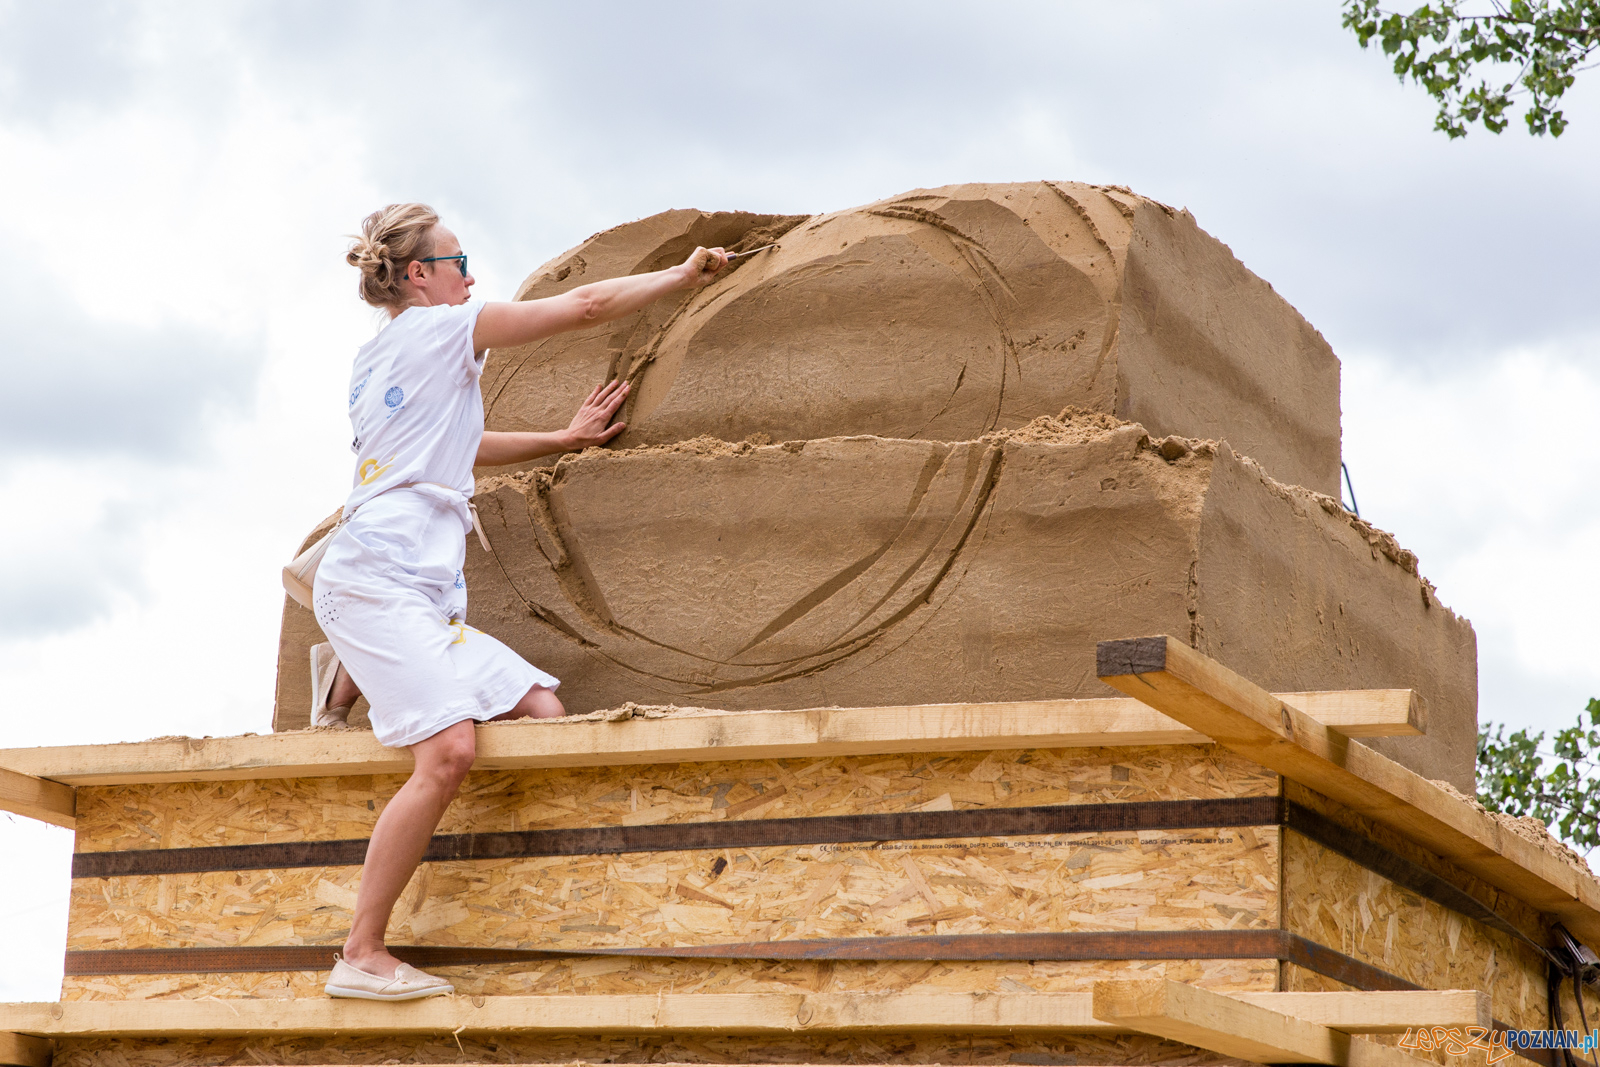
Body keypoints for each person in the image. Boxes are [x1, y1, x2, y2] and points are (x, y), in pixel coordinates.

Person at [314, 202, 727, 1001]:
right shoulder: (441, 330)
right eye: (460, 262)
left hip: (419, 591)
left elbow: (456, 445)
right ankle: (360, 951)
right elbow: (584, 307)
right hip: (378, 576)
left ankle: (350, 669)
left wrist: (561, 440)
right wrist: (680, 274)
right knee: (449, 752)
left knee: (542, 709)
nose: (472, 277)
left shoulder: (381, 358)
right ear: (419, 276)